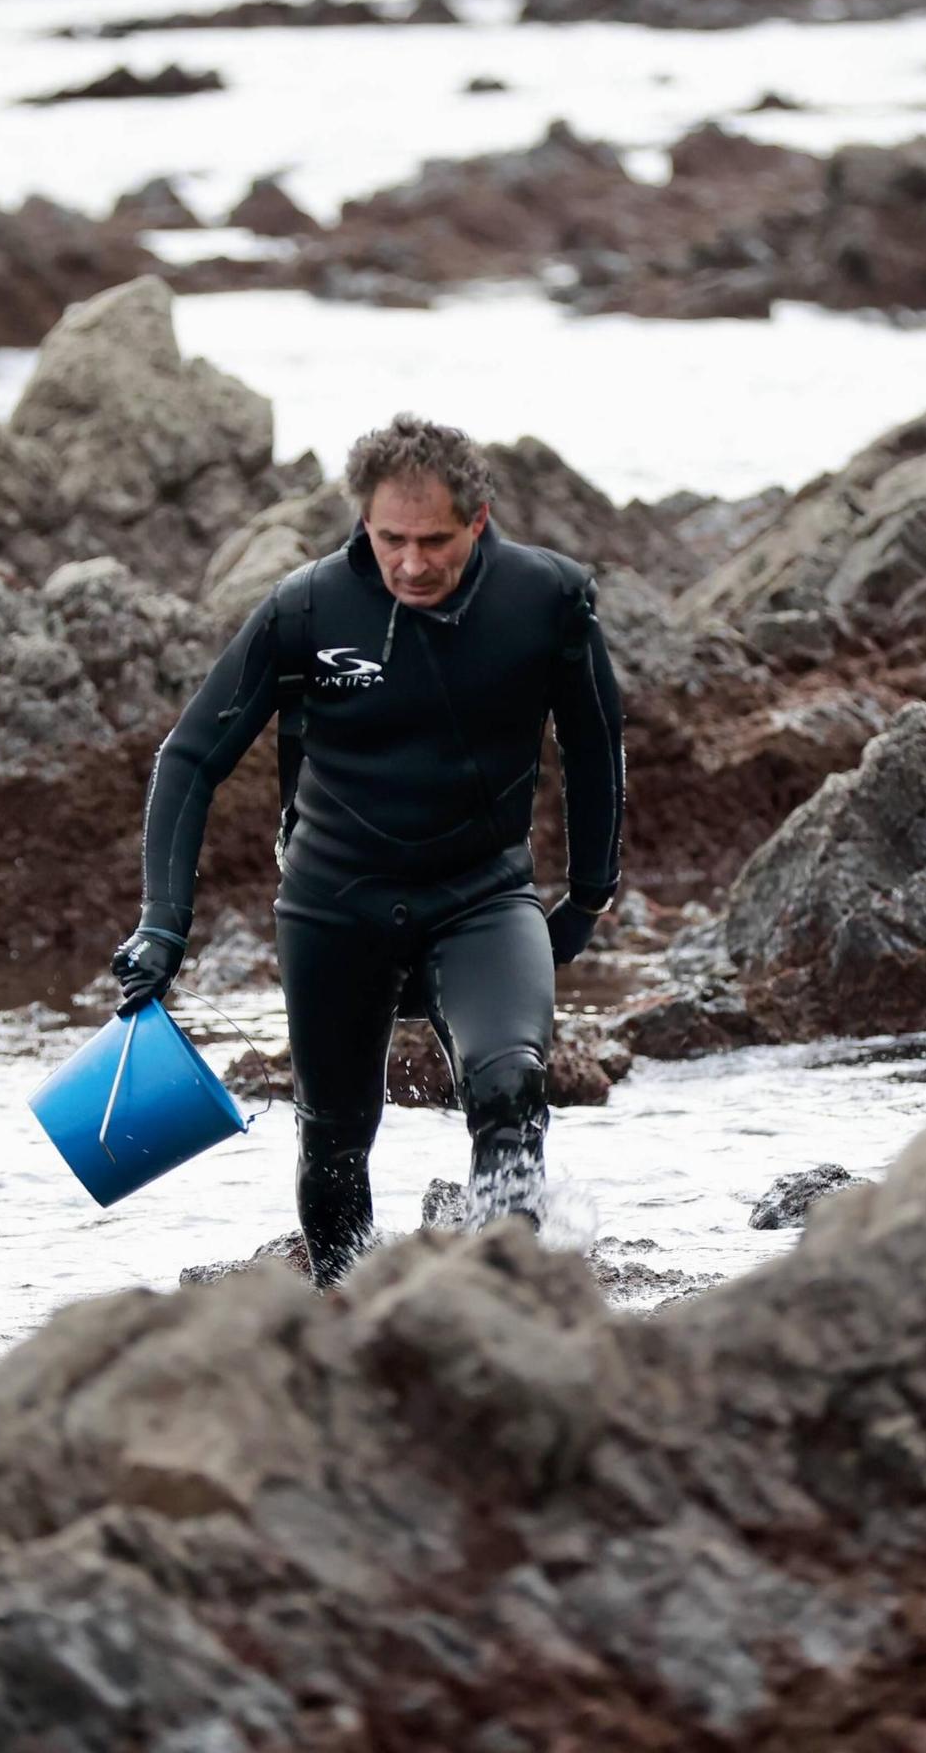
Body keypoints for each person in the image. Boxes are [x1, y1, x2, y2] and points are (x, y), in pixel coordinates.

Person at [112, 414, 624, 1286]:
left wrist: (586, 894)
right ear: (364, 520)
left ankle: (506, 1301)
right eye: (392, 539)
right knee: (336, 1139)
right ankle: (346, 1310)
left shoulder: (547, 601)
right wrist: (163, 924)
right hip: (333, 906)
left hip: (482, 898)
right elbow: (191, 757)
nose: (413, 564)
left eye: (434, 540)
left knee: (510, 1089)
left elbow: (595, 746)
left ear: (478, 519)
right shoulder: (307, 607)